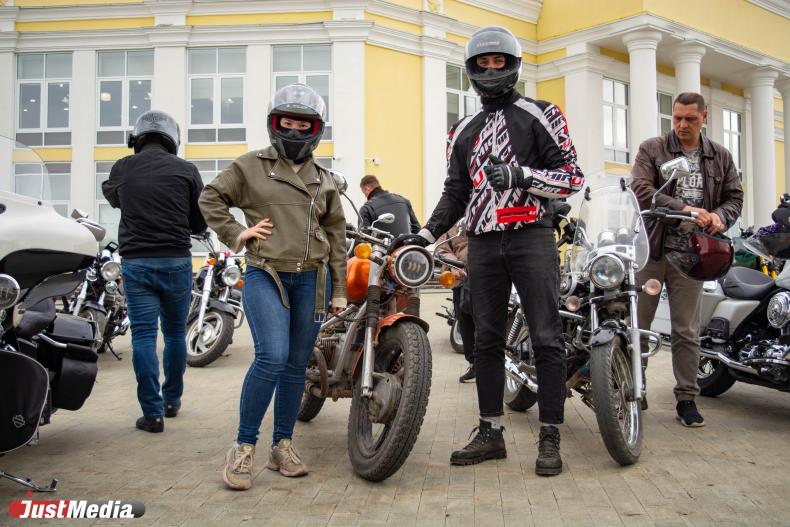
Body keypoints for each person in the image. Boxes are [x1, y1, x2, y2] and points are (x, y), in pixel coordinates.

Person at [391, 26, 584, 475]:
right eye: (484, 63)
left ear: (513, 66)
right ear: (472, 69)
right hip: (481, 241)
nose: (492, 70)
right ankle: (490, 432)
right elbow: (455, 192)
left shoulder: (542, 113)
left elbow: (572, 177)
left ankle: (550, 436)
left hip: (531, 236)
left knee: (546, 336)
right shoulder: (461, 129)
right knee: (487, 340)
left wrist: (521, 176)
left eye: (500, 62)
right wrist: (426, 234)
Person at [199, 84, 347, 490]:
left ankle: (282, 445)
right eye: (288, 123)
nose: (295, 131)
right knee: (272, 356)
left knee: (297, 364)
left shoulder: (325, 180)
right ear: (274, 124)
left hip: (312, 280)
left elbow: (337, 239)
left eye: (304, 125)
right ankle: (243, 446)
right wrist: (237, 232)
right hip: (267, 273)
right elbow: (210, 198)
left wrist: (338, 290)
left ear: (316, 130)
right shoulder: (250, 166)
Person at [632, 92, 743, 427]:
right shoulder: (652, 149)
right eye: (677, 118)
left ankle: (686, 399)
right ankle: (634, 390)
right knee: (638, 327)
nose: (682, 125)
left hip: (693, 256)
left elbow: (734, 197)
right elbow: (640, 189)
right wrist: (686, 209)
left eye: (690, 119)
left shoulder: (720, 156)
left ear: (704, 118)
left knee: (686, 330)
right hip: (652, 250)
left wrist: (721, 216)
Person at [102, 110, 207, 434]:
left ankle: (152, 414)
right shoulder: (187, 170)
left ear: (136, 138)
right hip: (176, 262)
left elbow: (113, 196)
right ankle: (171, 401)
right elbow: (199, 221)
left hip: (137, 264)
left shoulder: (123, 167)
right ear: (172, 139)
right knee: (174, 334)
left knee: (144, 337)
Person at [434, 222, 475, 382]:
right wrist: (455, 265)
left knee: (487, 323)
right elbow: (442, 248)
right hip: (461, 277)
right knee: (464, 321)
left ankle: (490, 364)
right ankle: (473, 363)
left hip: (487, 273)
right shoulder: (450, 220)